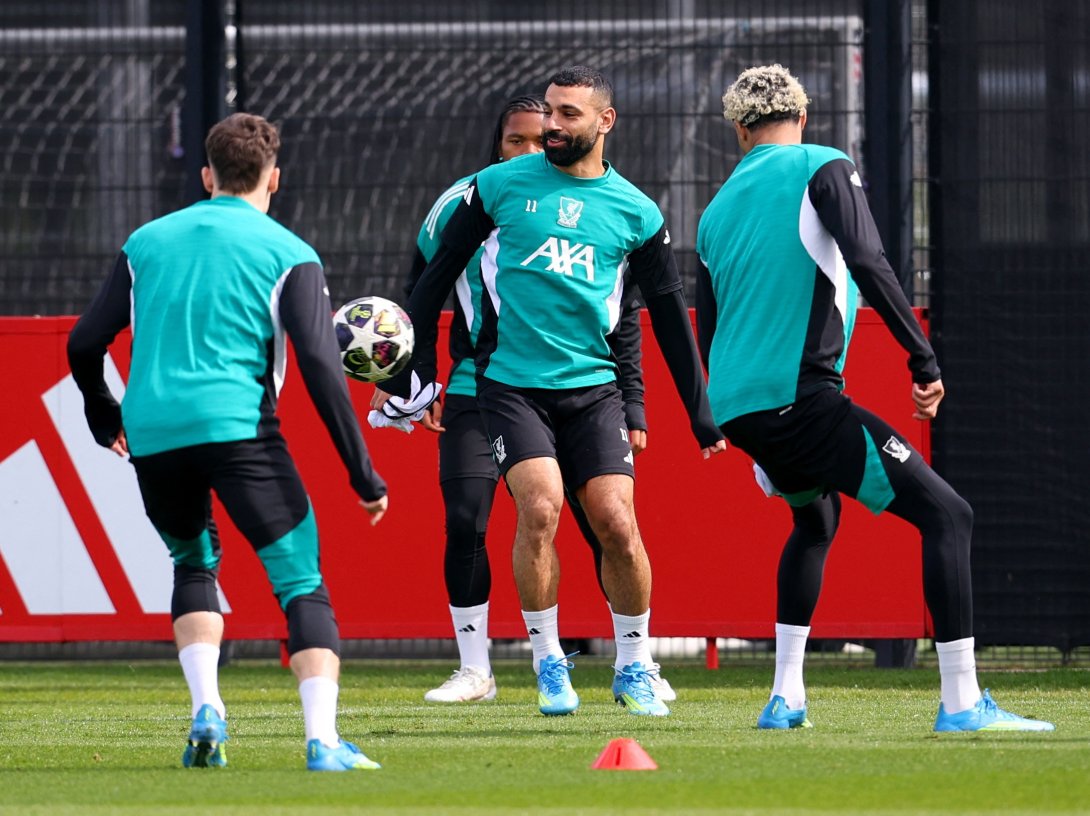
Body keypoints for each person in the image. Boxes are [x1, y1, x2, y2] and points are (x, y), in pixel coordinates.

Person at [695, 64, 1054, 733]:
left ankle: (786, 698)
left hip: (742, 409)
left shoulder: (713, 212)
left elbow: (708, 330)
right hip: (799, 400)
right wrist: (923, 357)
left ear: (740, 132)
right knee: (949, 516)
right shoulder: (823, 164)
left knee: (815, 522)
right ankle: (962, 702)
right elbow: (869, 259)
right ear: (803, 118)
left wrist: (746, 427)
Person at [377, 66, 726, 718]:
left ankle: (634, 667)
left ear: (605, 121)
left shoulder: (638, 212)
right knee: (539, 509)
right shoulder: (495, 188)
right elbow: (430, 281)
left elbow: (663, 315)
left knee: (616, 523)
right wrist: (407, 377)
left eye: (568, 114)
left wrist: (699, 413)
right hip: (509, 386)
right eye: (550, 112)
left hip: (594, 391)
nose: (554, 125)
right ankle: (548, 662)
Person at [66, 112, 392, 771]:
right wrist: (362, 472)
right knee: (301, 583)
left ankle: (207, 711)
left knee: (193, 565)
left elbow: (83, 342)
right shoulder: (289, 252)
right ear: (275, 179)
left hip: (154, 435)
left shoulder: (146, 242)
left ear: (207, 176)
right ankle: (323, 741)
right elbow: (321, 363)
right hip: (239, 428)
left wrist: (104, 414)